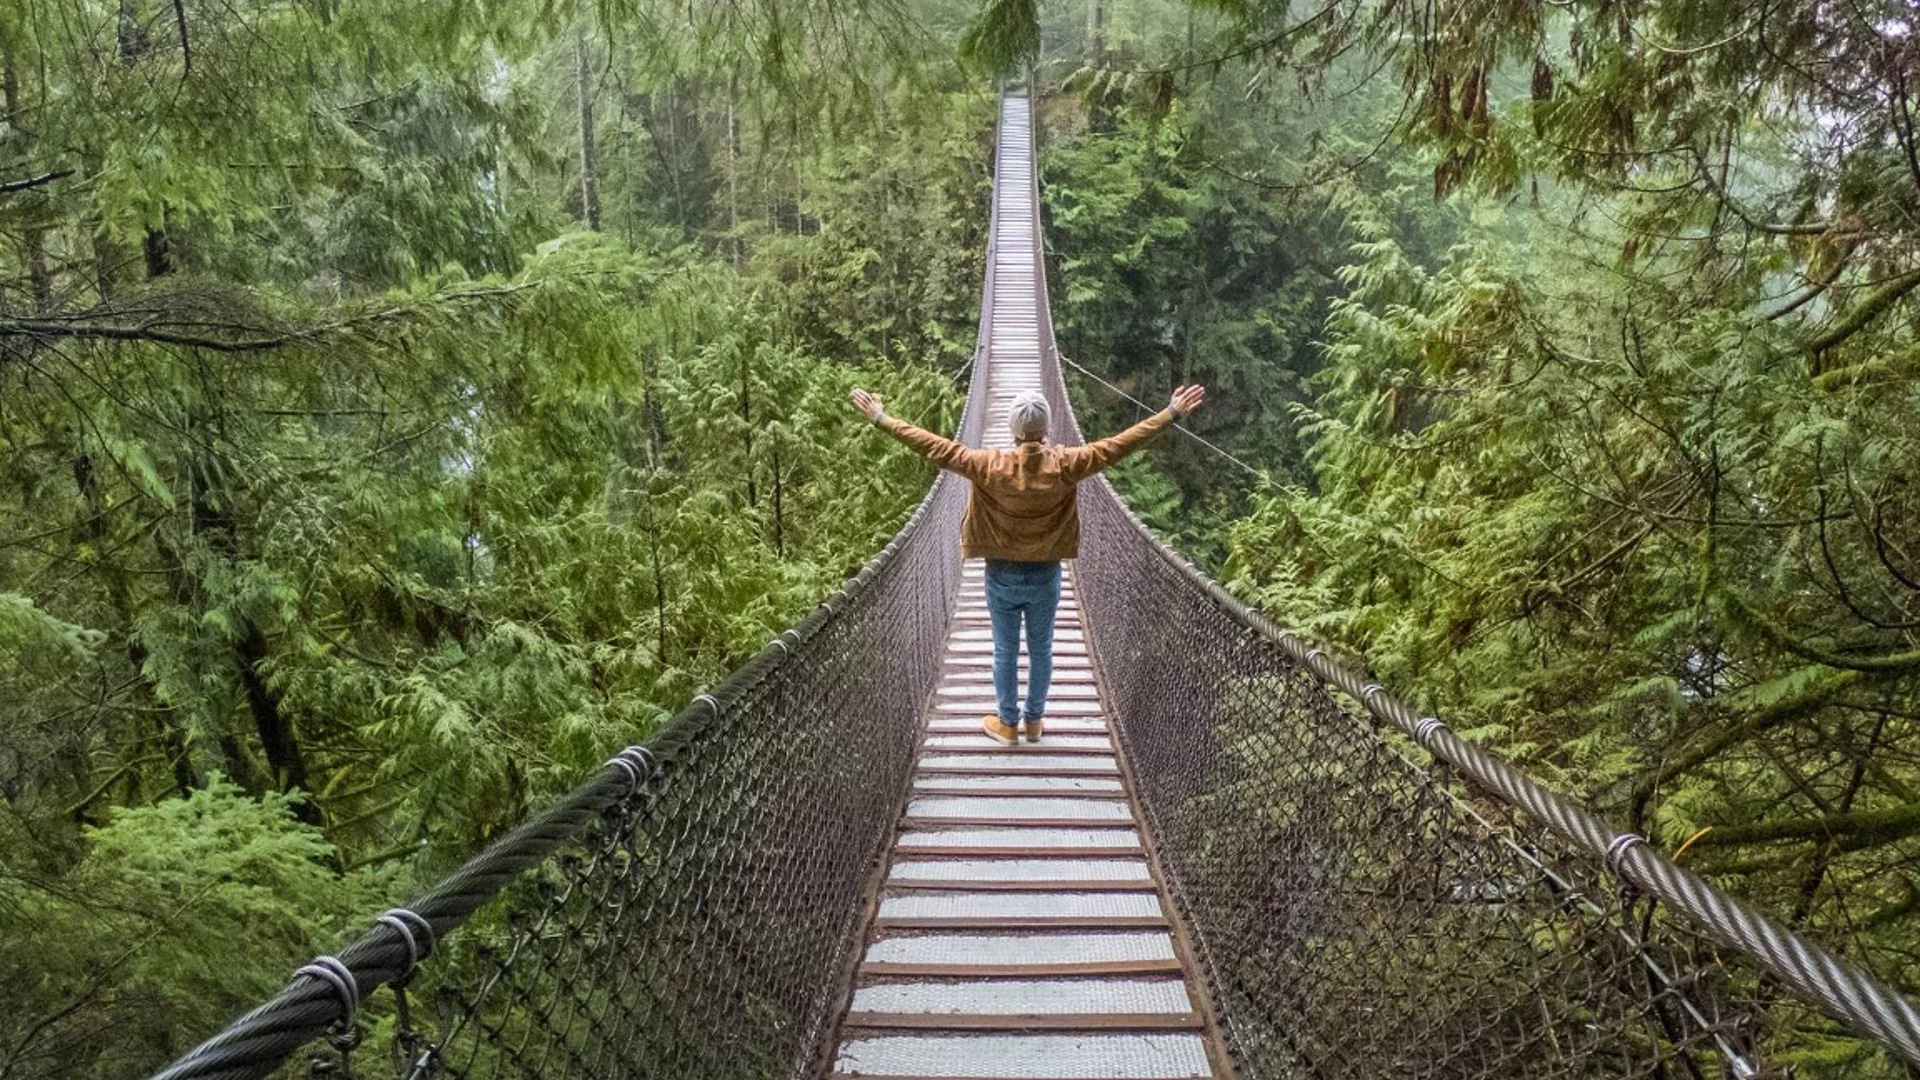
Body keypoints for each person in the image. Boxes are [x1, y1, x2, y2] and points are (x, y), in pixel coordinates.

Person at [850, 382, 1206, 745]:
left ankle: (1008, 724)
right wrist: (1171, 413)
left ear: (1013, 431)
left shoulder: (986, 465)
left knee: (1005, 650)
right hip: (1046, 575)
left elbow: (933, 446)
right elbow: (1120, 445)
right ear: (1047, 429)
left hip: (1001, 575)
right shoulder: (1068, 464)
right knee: (1042, 648)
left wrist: (881, 418)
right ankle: (1034, 722)